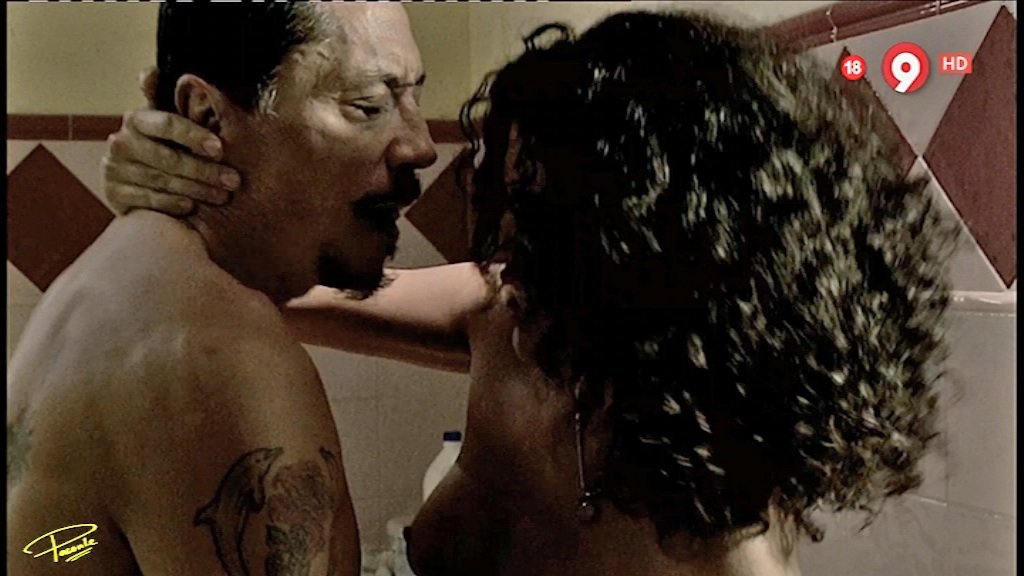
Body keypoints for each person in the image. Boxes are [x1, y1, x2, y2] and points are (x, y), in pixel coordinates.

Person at [100, 10, 956, 576]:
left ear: (651, 236)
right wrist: (186, 180)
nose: (510, 244)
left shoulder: (728, 504)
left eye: (547, 213)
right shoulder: (503, 303)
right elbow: (283, 284)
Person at [6, 4, 436, 576]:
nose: (421, 146)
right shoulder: (219, 355)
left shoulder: (116, 285)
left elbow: (66, 541)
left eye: (415, 98)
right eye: (368, 106)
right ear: (207, 115)